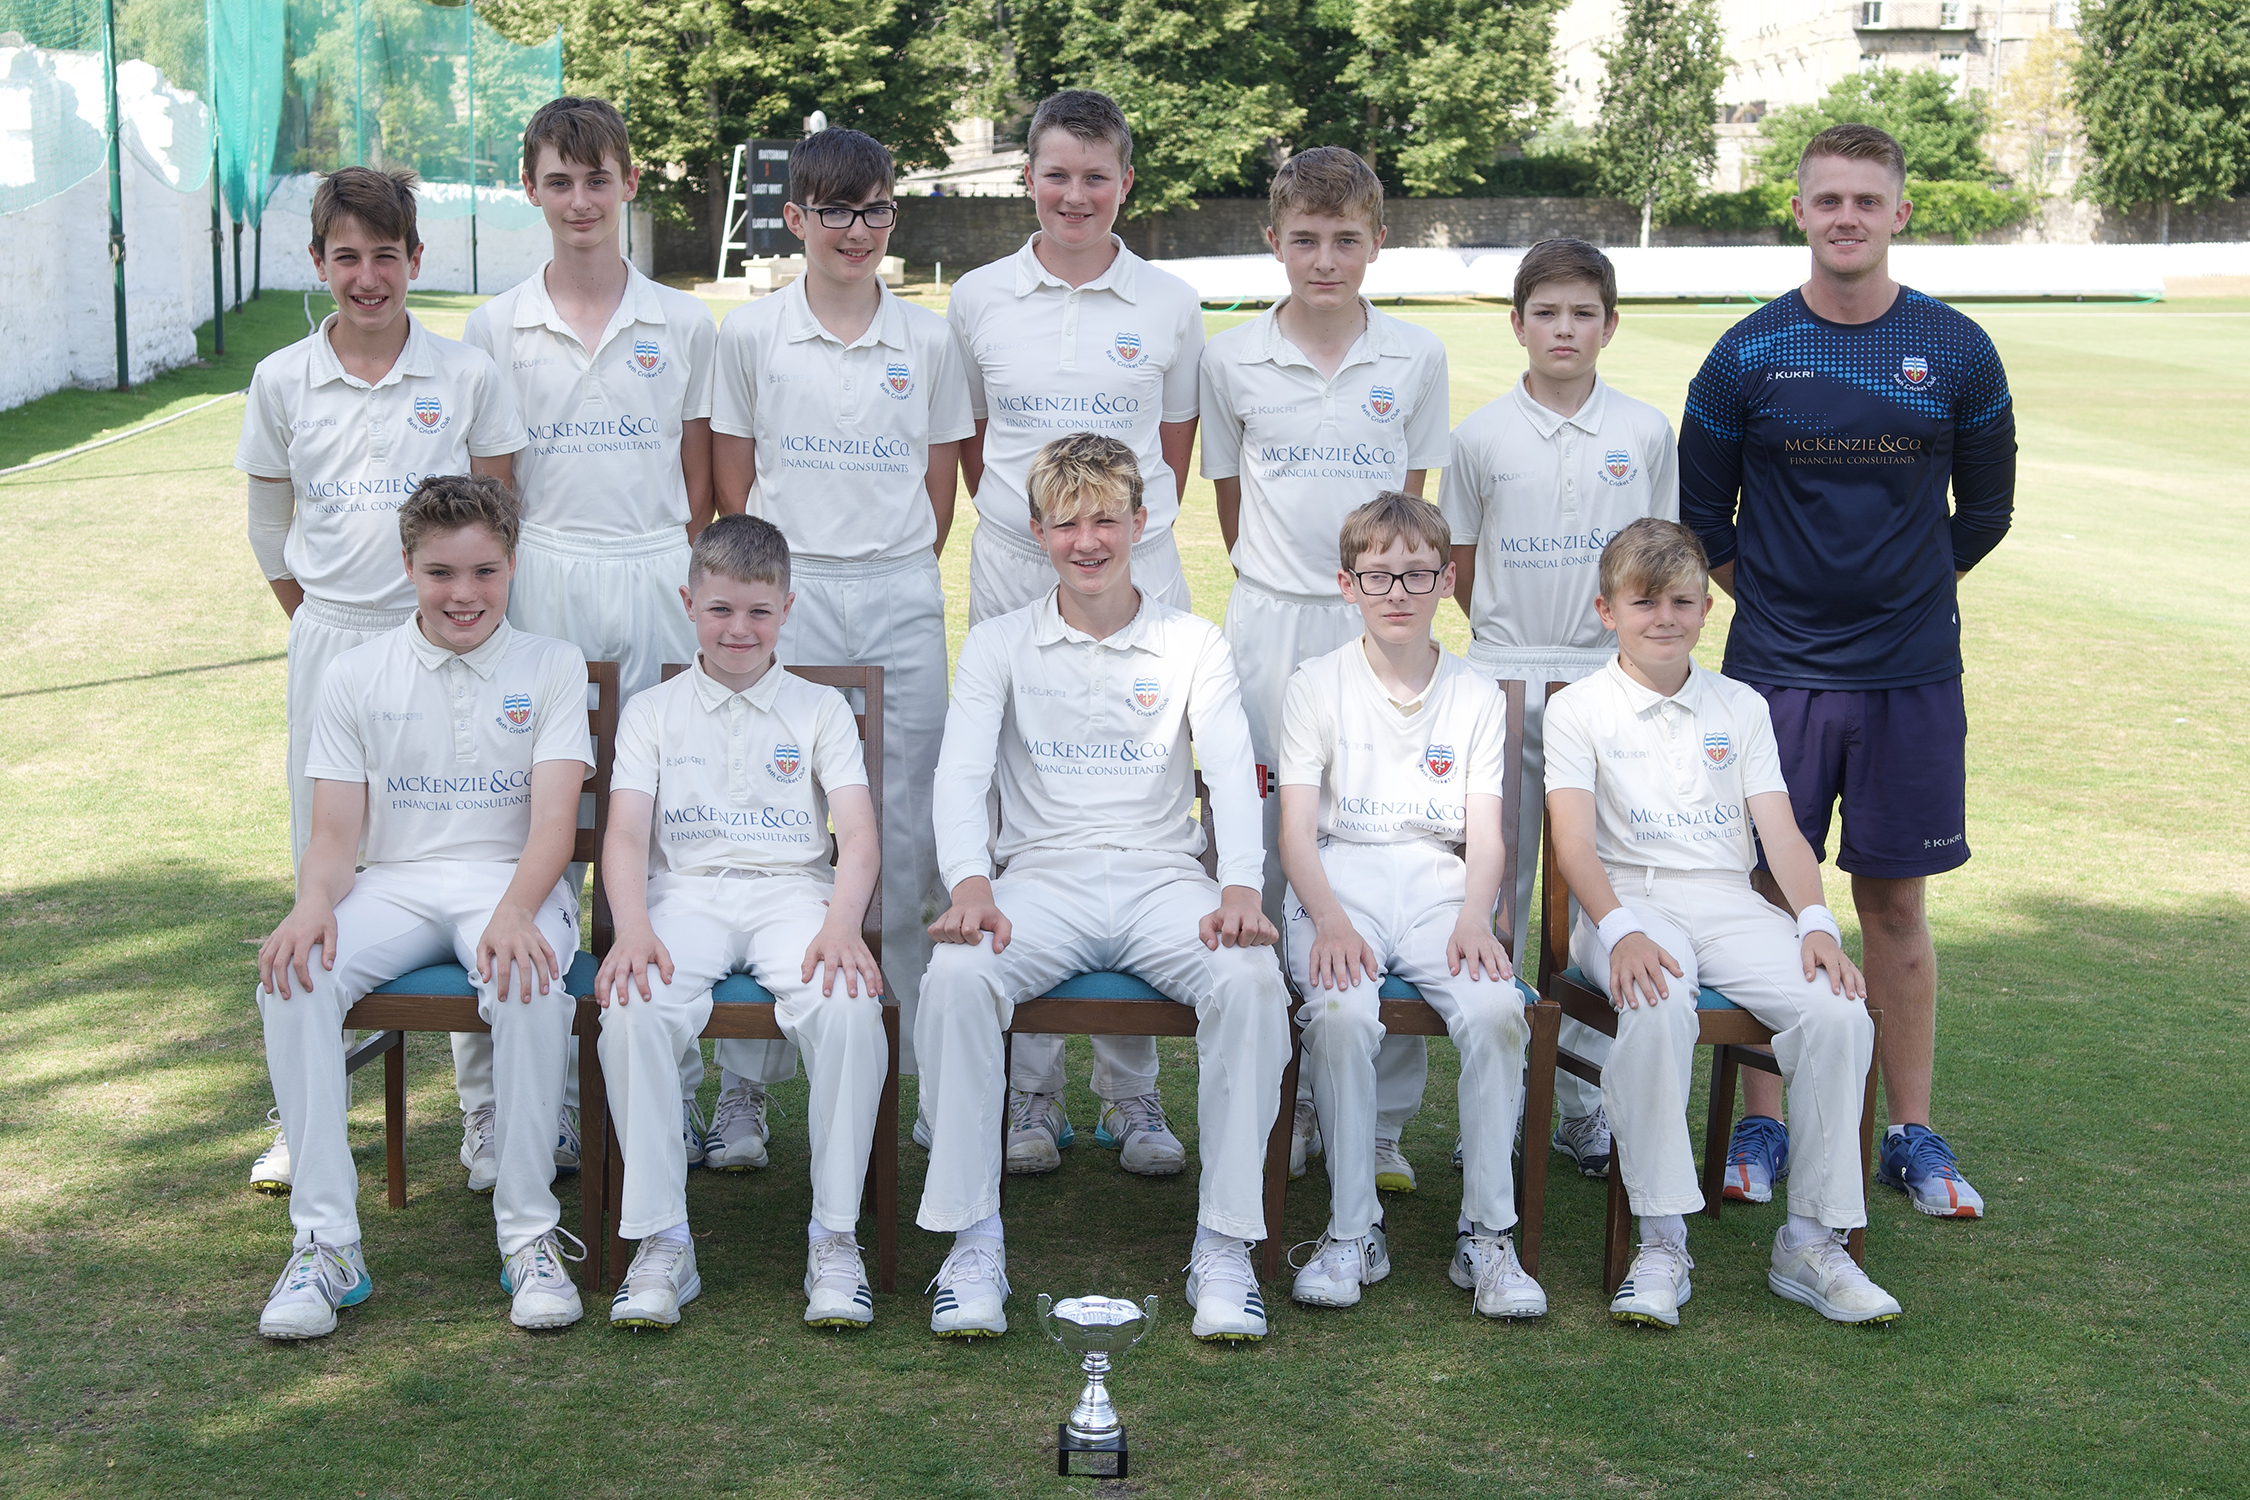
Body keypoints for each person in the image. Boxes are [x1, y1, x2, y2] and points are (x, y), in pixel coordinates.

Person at [1679, 122, 2014, 1219]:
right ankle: (1764, 1123)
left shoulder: (1957, 350)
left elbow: (1987, 513)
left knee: (1896, 905)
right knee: (1772, 897)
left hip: (1912, 674)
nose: (1847, 219)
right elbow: (1700, 518)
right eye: (1828, 200)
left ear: (1901, 212)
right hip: (1774, 672)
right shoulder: (1747, 353)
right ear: (1800, 210)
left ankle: (1909, 1132)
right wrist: (1783, 603)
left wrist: (1899, 594)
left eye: (1867, 201)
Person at [915, 434, 1290, 1342]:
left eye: (1107, 520)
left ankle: (1226, 1244)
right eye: (1068, 522)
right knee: (958, 978)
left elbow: (1233, 770)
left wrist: (1240, 884)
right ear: (1037, 530)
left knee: (1248, 982)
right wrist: (972, 882)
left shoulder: (1191, 640)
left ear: (1141, 523)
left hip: (1165, 879)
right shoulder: (1001, 643)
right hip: (1041, 879)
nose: (1089, 541)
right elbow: (961, 774)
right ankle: (972, 1241)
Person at [237, 165, 524, 1198]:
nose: (368, 276)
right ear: (317, 263)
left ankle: (488, 1119)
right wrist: (328, 628)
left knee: (465, 856)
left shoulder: (466, 370)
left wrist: (437, 627)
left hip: (456, 650)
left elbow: (496, 517)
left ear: (415, 259)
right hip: (333, 642)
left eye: (386, 254)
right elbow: (272, 529)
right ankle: (303, 1117)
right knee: (327, 869)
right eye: (347, 256)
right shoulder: (280, 380)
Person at [253, 474, 594, 1339]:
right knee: (292, 978)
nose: (464, 594)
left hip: (509, 881)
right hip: (397, 883)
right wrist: (308, 905)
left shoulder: (550, 665)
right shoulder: (355, 674)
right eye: (441, 573)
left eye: (483, 571)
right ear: (408, 567)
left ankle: (529, 1234)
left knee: (525, 977)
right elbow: (335, 838)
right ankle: (328, 1246)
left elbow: (555, 823)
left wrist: (519, 909)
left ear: (512, 566)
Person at [1545, 518, 1901, 1329]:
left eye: (1680, 601)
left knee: (1837, 1008)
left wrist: (1814, 920)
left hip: (1729, 900)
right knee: (1658, 1000)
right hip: (1627, 902)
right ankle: (1663, 1240)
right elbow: (1571, 843)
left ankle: (1813, 1243)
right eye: (1644, 603)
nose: (1663, 618)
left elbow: (1780, 831)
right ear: (1607, 610)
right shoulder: (1580, 709)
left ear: (1707, 608)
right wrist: (1621, 928)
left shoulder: (1740, 705)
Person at [945, 89, 1209, 1177]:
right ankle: (1030, 1091)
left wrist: (1110, 543)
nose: (1075, 195)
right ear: (1028, 179)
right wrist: (1040, 532)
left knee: (1136, 812)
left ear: (1126, 183)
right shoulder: (976, 297)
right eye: (1056, 174)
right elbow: (971, 443)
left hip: (1138, 578)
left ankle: (1132, 1097)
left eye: (1096, 177)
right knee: (1022, 820)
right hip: (1017, 573)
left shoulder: (1170, 300)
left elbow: (1177, 444)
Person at [462, 95, 725, 1181]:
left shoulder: (684, 322)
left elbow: (704, 490)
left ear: (628, 182)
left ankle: (671, 1087)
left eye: (599, 178)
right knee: (529, 832)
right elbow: (493, 495)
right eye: (559, 181)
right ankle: (520, 1104)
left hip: (657, 576)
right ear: (531, 187)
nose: (580, 200)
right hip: (547, 584)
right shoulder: (492, 325)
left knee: (668, 835)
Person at [709, 127, 970, 1168]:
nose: (854, 232)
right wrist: (788, 587)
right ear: (796, 220)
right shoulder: (751, 335)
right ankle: (744, 1094)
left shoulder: (931, 341)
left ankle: (900, 1071)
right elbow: (734, 485)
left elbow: (940, 492)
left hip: (900, 595)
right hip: (790, 597)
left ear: (890, 218)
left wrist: (886, 567)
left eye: (873, 212)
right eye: (834, 212)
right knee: (774, 830)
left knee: (906, 842)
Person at [1198, 146, 1451, 1191]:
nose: (1326, 258)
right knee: (1256, 849)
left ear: (1376, 243)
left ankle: (1375, 1119)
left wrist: (1374, 606)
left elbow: (1410, 513)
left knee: (1386, 839)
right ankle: (1273, 1102)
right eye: (1305, 239)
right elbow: (1226, 505)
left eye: (1347, 239)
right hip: (1268, 622)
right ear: (1274, 242)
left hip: (1377, 623)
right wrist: (1289, 589)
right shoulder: (1230, 357)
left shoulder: (1417, 356)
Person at [593, 516, 888, 1331]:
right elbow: (623, 833)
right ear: (689, 603)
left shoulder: (820, 708)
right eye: (720, 610)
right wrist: (630, 929)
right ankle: (662, 1240)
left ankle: (835, 1237)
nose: (739, 630)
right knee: (633, 1006)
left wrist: (843, 925)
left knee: (849, 1008)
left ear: (787, 608)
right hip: (681, 896)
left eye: (759, 613)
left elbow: (858, 834)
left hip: (794, 896)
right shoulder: (653, 711)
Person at [1438, 237, 1678, 1183]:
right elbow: (1459, 566)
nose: (1565, 329)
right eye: (1547, 313)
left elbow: (1657, 565)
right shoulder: (1481, 435)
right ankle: (1488, 1114)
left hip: (1605, 684)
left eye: (1583, 314)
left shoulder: (1646, 429)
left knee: (1600, 888)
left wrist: (1606, 665)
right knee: (1495, 891)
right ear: (1517, 325)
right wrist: (1509, 662)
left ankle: (1587, 1105)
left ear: (1610, 326)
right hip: (1502, 677)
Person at [1278, 493, 1544, 1320]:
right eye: (1377, 575)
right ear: (1347, 584)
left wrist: (1479, 916)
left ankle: (1488, 1236)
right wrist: (1328, 920)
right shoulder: (1313, 684)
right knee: (1342, 1014)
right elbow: (1293, 832)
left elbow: (1488, 834)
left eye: (1417, 574)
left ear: (1446, 578)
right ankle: (1352, 1231)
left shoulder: (1473, 693)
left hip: (1440, 885)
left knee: (1498, 1007)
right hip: (1338, 880)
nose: (1398, 592)